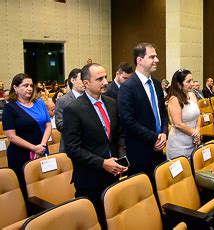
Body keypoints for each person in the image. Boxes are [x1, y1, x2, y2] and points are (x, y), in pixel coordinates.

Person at [63, 63, 127, 226]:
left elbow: (119, 134)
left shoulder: (111, 103)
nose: (105, 82)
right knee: (94, 220)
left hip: (113, 172)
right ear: (86, 83)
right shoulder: (74, 109)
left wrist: (121, 157)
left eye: (105, 77)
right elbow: (73, 149)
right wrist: (103, 163)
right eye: (99, 79)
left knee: (112, 218)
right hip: (90, 177)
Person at [118, 42, 168, 178]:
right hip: (140, 150)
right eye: (152, 57)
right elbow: (128, 121)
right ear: (139, 60)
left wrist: (164, 133)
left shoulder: (157, 84)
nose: (157, 60)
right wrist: (154, 138)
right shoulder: (127, 87)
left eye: (156, 57)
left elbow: (163, 112)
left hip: (159, 147)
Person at [2, 73, 52, 195]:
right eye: (25, 85)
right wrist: (34, 148)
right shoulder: (10, 108)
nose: (29, 88)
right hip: (21, 153)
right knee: (26, 188)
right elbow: (11, 136)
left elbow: (48, 125)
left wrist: (42, 145)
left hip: (42, 148)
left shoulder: (39, 103)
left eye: (31, 85)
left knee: (44, 183)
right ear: (15, 87)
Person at [166, 69, 201, 160]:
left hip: (193, 141)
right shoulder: (174, 99)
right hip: (179, 145)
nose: (192, 84)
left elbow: (198, 115)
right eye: (188, 81)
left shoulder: (192, 95)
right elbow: (178, 124)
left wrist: (197, 129)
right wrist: (194, 133)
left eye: (192, 80)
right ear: (179, 84)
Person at [55, 68, 84, 153]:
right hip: (71, 145)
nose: (85, 82)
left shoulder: (89, 99)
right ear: (72, 80)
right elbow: (59, 124)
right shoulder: (63, 100)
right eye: (81, 79)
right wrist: (79, 124)